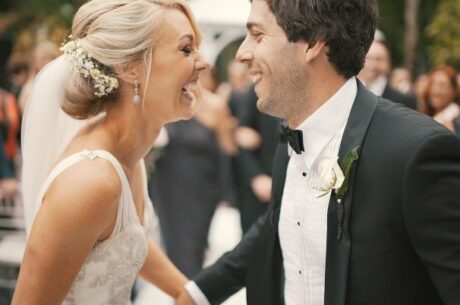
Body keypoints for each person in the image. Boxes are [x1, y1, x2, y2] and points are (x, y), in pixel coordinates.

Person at [176, 0, 460, 305]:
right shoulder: (289, 133)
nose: (243, 52)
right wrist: (198, 293)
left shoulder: (415, 152)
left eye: (257, 35)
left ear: (312, 43)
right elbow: (278, 221)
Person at [12, 0, 208, 304]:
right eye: (186, 49)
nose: (203, 62)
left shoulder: (129, 158)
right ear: (130, 68)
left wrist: (191, 294)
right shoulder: (91, 183)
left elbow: (124, 244)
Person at [149, 66, 236, 278]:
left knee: (194, 247)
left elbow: (228, 151)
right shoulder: (167, 102)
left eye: (203, 73)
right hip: (167, 186)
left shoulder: (216, 105)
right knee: (172, 245)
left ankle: (190, 293)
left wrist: (228, 193)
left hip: (202, 190)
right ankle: (180, 294)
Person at [358, 40, 418, 110]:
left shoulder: (404, 100)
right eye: (368, 58)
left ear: (388, 64)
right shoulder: (349, 94)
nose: (373, 65)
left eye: (379, 59)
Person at [419, 65, 460, 132]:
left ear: (454, 90)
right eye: (432, 84)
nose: (436, 91)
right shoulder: (422, 115)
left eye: (442, 85)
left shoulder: (456, 121)